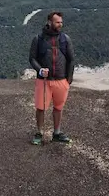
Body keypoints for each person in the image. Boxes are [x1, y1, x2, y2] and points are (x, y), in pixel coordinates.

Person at [28, 11, 74, 145]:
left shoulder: (65, 39)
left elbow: (71, 59)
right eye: (57, 22)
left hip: (61, 80)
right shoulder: (38, 39)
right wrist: (40, 70)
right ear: (49, 22)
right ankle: (39, 133)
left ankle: (57, 133)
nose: (60, 24)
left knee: (58, 108)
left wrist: (68, 80)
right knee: (41, 108)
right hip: (43, 81)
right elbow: (32, 58)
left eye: (61, 22)